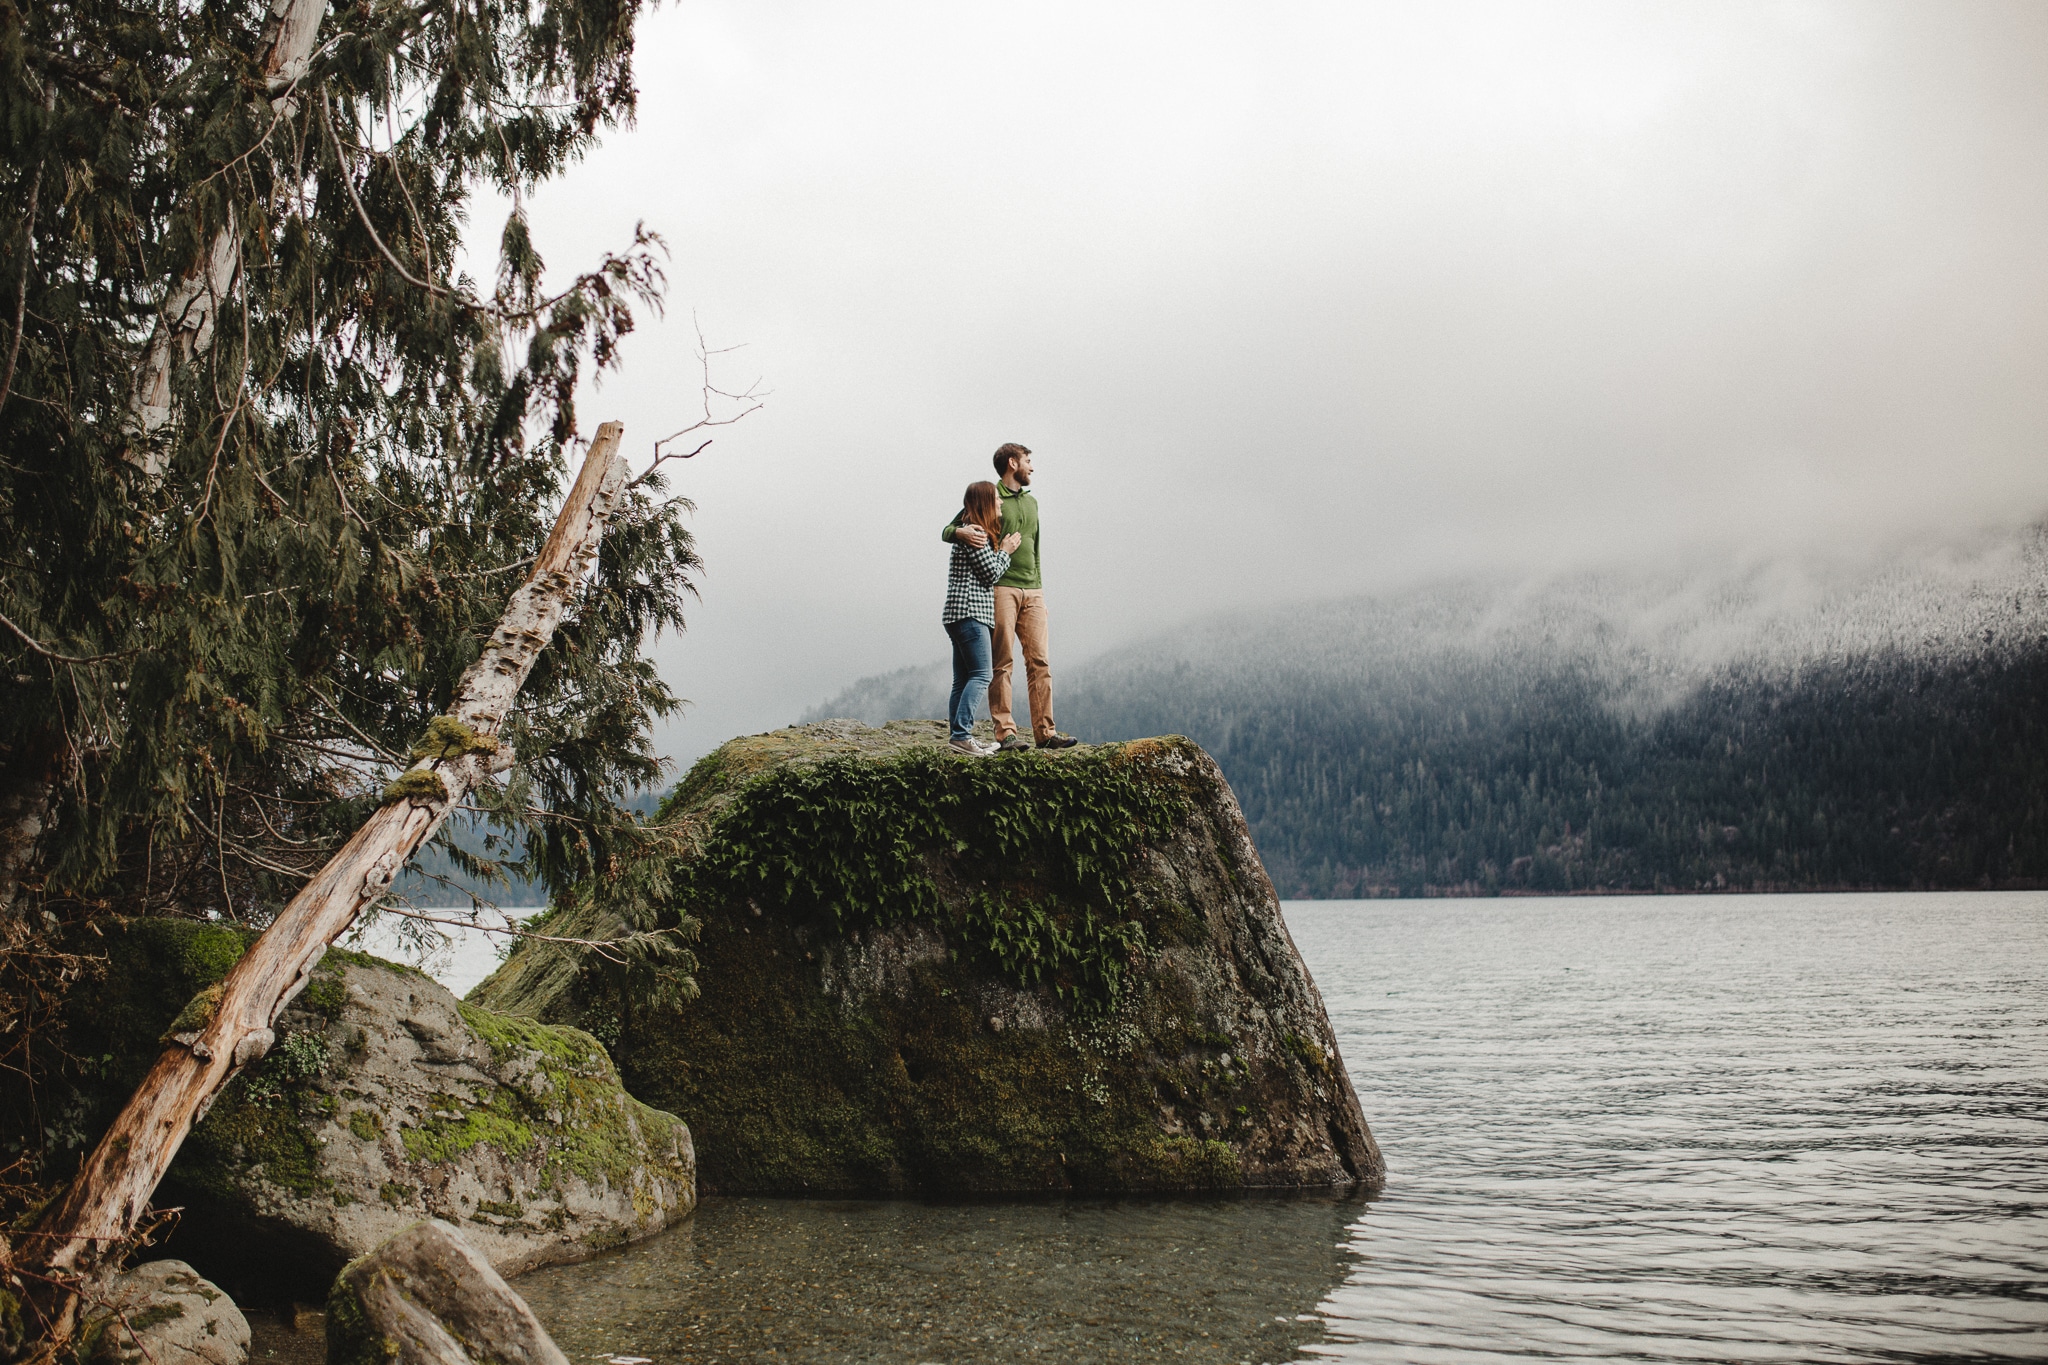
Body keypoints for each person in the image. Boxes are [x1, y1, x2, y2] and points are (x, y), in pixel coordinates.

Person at [942, 443, 1078, 750]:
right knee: (1001, 663)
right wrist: (959, 533)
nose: (1032, 467)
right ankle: (1007, 734)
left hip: (1034, 589)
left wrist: (1039, 586)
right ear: (1013, 463)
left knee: (1040, 661)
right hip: (1000, 588)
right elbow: (950, 529)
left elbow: (1035, 546)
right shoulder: (989, 497)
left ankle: (1046, 733)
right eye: (1028, 461)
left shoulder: (1033, 504)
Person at [942, 481, 1022, 755]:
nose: (1000, 502)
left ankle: (958, 736)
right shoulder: (977, 533)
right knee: (982, 674)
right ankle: (962, 735)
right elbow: (991, 574)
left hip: (957, 614)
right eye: (996, 499)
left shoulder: (968, 530)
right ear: (986, 503)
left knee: (962, 679)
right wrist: (1006, 551)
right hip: (971, 614)